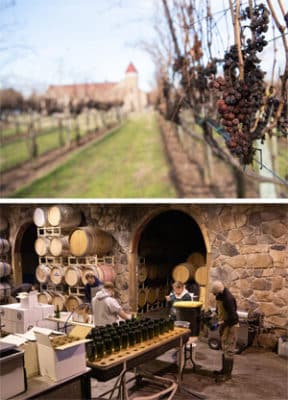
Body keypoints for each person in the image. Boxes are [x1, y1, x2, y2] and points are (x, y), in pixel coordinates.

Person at [211, 280, 239, 382]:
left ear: (219, 291)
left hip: (231, 327)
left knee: (229, 350)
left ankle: (228, 375)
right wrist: (213, 314)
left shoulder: (228, 299)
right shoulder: (219, 295)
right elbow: (218, 309)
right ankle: (223, 370)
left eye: (215, 293)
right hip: (224, 325)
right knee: (224, 348)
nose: (214, 295)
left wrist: (219, 323)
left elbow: (233, 318)